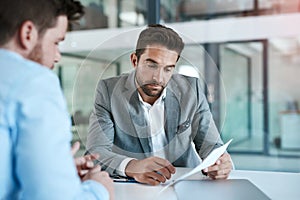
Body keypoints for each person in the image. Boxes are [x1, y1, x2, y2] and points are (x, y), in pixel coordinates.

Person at [86, 24, 233, 186]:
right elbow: (95, 154)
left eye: (168, 69)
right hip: (138, 187)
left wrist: (220, 162)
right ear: (135, 60)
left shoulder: (192, 90)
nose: (159, 78)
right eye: (151, 65)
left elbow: (211, 144)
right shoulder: (108, 91)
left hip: (185, 182)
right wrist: (132, 166)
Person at [0, 0, 113, 199]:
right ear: (28, 34)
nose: (57, 56)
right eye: (56, 42)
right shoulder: (33, 82)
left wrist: (58, 171)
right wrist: (98, 189)